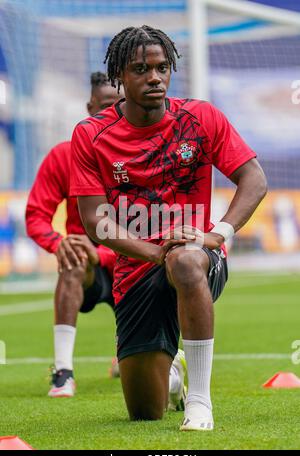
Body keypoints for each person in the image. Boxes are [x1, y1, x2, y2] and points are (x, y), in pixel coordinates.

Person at [70, 26, 267, 430]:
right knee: (145, 411)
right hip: (134, 271)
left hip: (197, 255)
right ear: (120, 78)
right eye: (141, 69)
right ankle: (172, 372)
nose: (154, 77)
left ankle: (199, 401)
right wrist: (152, 251)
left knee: (187, 260)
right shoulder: (91, 135)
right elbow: (95, 221)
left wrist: (218, 234)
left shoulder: (200, 117)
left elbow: (254, 179)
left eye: (162, 68)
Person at [26, 72, 122, 397]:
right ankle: (63, 372)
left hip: (131, 261)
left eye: (118, 106)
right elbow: (36, 216)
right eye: (104, 106)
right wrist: (59, 243)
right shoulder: (63, 156)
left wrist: (105, 254)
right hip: (87, 266)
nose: (110, 114)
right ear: (89, 106)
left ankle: (132, 350)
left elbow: (151, 232)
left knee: (164, 266)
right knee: (72, 261)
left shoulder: (139, 155)